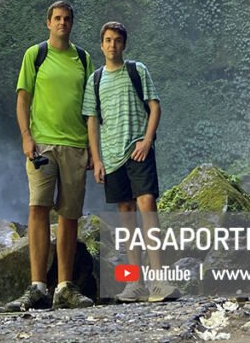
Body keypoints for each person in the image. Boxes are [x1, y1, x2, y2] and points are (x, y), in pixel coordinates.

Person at [0, 1, 94, 312]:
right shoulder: (35, 55)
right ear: (48, 23)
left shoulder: (83, 59)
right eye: (57, 19)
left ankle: (64, 287)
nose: (62, 23)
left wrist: (94, 149)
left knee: (69, 215)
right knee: (38, 208)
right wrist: (26, 136)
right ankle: (37, 285)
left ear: (71, 24)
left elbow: (92, 109)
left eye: (67, 19)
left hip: (76, 145)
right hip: (42, 146)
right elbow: (22, 99)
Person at [83, 21, 175, 302]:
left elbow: (155, 106)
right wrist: (96, 159)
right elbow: (92, 120)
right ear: (102, 45)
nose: (113, 45)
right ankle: (134, 282)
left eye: (117, 40)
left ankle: (159, 281)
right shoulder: (95, 80)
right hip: (111, 157)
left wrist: (147, 140)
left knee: (147, 206)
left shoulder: (137, 70)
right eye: (108, 40)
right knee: (126, 217)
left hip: (139, 150)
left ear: (124, 44)